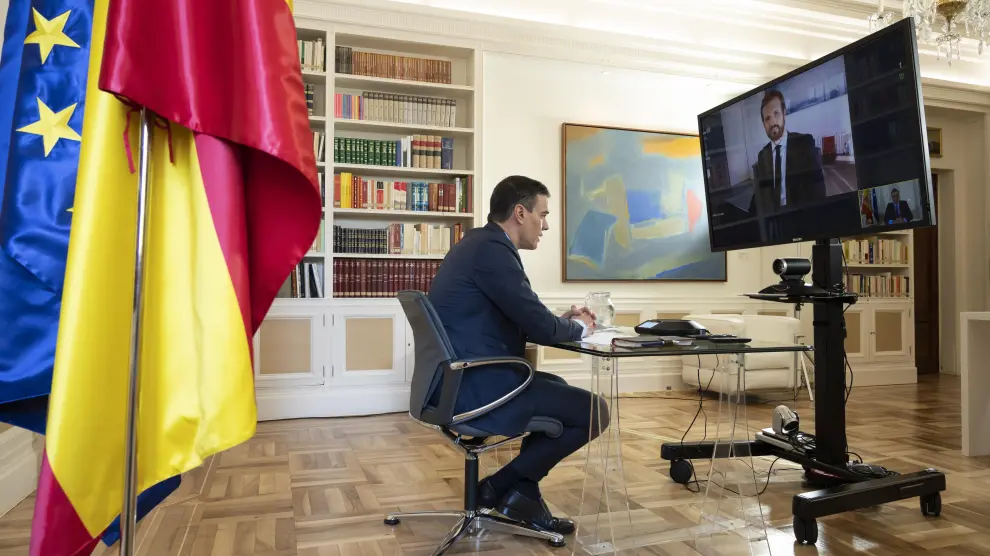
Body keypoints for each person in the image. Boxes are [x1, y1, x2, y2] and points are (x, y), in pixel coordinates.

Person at [427, 175, 609, 536]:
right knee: (595, 411)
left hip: (455, 382)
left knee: (554, 386)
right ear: (520, 212)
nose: (545, 224)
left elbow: (523, 316)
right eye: (542, 214)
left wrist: (557, 321)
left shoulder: (479, 245)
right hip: (478, 388)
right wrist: (582, 329)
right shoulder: (493, 251)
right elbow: (537, 325)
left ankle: (522, 491)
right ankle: (499, 487)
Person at [749, 89, 827, 214]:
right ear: (763, 124)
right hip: (775, 223)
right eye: (767, 118)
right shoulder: (762, 155)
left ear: (784, 114)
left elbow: (818, 191)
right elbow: (760, 195)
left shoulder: (804, 143)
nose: (773, 122)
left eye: (776, 114)